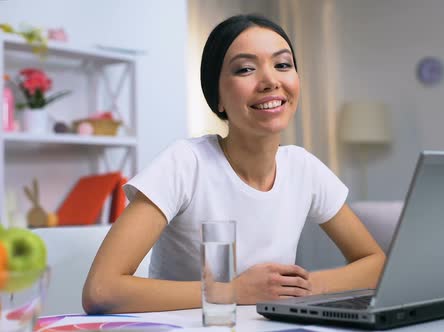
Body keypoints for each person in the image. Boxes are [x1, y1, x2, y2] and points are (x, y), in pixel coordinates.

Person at [82, 14, 385, 314]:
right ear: (218, 99)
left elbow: (376, 263)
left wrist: (305, 287)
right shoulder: (186, 163)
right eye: (245, 69)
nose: (270, 81)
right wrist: (232, 290)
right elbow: (101, 289)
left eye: (283, 65)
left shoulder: (304, 168)